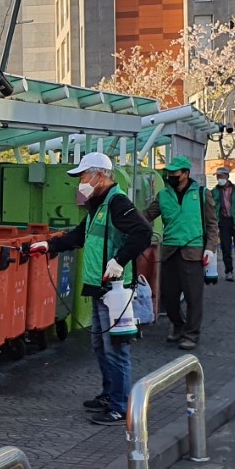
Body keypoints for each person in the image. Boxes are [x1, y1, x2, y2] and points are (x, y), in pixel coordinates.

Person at [31, 152, 153, 427]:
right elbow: (78, 235)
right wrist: (49, 246)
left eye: (84, 176)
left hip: (116, 290)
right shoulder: (98, 206)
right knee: (101, 346)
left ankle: (120, 407)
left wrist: (119, 261)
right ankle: (109, 395)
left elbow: (143, 233)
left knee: (116, 349)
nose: (81, 182)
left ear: (100, 176)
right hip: (99, 288)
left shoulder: (117, 203)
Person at [143, 156, 219, 351]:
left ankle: (191, 334)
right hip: (169, 251)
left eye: (174, 174)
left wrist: (210, 248)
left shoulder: (202, 194)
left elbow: (212, 224)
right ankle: (178, 325)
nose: (170, 177)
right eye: (168, 174)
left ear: (185, 174)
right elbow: (147, 215)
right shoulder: (163, 196)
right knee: (169, 296)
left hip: (193, 253)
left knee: (194, 297)